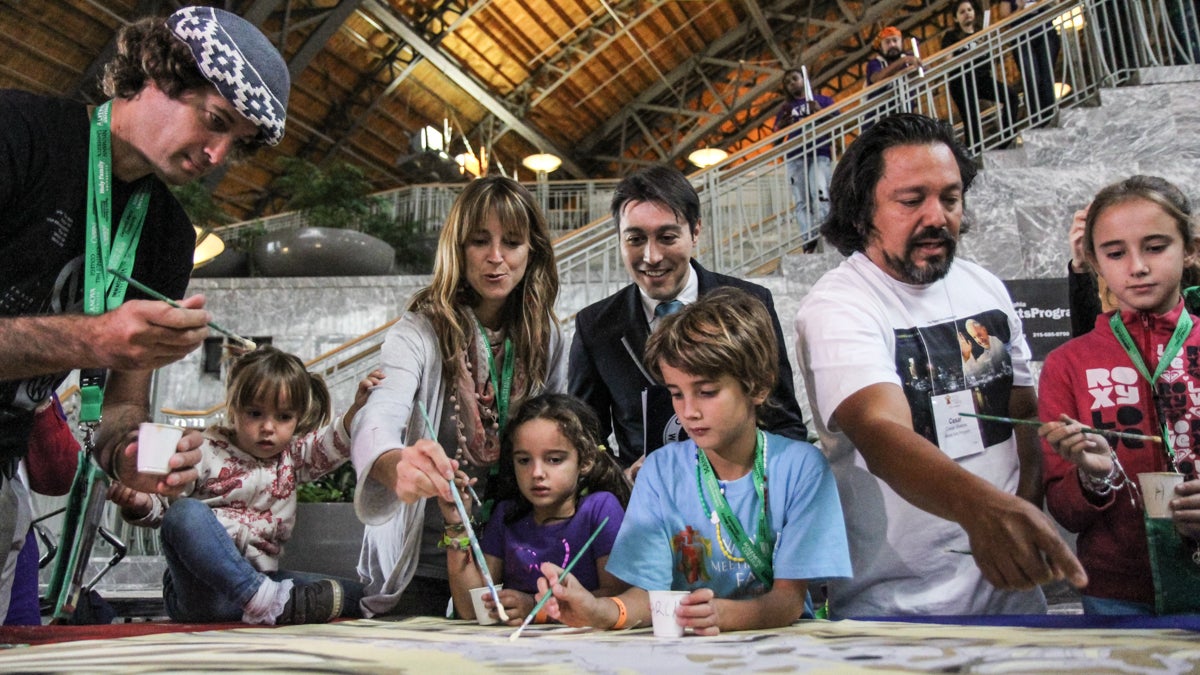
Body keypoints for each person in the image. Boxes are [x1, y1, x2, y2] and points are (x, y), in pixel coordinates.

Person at [0, 6, 289, 619]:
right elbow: (96, 346)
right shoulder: (18, 134)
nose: (216, 155)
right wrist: (92, 339)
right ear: (156, 72)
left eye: (235, 142)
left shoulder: (166, 235)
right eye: (214, 121)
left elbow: (124, 408)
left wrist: (132, 456)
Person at [794, 112, 1086, 618]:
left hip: (1013, 600)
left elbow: (1021, 410)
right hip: (894, 611)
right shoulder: (839, 304)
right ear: (863, 211)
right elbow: (882, 433)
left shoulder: (984, 287)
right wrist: (984, 511)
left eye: (950, 198)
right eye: (911, 201)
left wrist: (1024, 510)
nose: (937, 216)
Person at [541, 287, 850, 634]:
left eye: (707, 392)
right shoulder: (660, 471)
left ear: (758, 387)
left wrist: (725, 616)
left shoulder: (800, 468)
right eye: (676, 393)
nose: (689, 411)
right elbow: (650, 597)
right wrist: (598, 611)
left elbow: (788, 602)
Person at [351, 176, 566, 618]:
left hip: (512, 567)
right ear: (457, 248)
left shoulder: (550, 337)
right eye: (479, 241)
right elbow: (378, 418)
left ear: (533, 252)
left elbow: (565, 435)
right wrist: (397, 466)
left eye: (512, 242)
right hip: (418, 570)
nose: (496, 257)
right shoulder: (419, 330)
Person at [113, 348, 380, 625]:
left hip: (265, 581)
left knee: (360, 596)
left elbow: (331, 443)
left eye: (283, 417)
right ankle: (262, 601)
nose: (268, 427)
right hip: (201, 591)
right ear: (234, 409)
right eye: (255, 413)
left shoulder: (292, 457)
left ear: (298, 418)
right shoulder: (204, 449)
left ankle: (263, 600)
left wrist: (357, 409)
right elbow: (166, 510)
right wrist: (141, 503)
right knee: (183, 513)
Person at [569, 165, 807, 472]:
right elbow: (586, 439)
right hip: (651, 508)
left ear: (695, 231)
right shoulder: (596, 327)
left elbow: (784, 420)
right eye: (635, 239)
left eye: (667, 237)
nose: (651, 256)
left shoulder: (750, 303)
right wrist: (622, 478)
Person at [1038, 175, 1200, 616]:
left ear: (1190, 249)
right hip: (1115, 596)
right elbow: (1066, 511)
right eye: (1115, 253)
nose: (1137, 266)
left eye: (1155, 246)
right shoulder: (1068, 365)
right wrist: (1093, 477)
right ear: (1094, 262)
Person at [444, 393, 630, 624]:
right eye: (524, 460)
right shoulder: (506, 516)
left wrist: (536, 607)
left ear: (585, 461)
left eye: (554, 460)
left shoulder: (600, 509)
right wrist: (457, 523)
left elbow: (617, 596)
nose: (537, 473)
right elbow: (472, 609)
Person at [941, 0, 1018, 149]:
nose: (967, 14)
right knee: (972, 120)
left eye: (969, 10)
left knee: (1011, 97)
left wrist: (987, 45)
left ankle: (1007, 139)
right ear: (956, 18)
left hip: (981, 78)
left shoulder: (980, 33)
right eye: (962, 12)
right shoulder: (951, 36)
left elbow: (990, 59)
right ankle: (974, 154)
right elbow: (947, 60)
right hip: (961, 81)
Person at [773, 67, 835, 236]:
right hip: (795, 155)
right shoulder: (785, 109)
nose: (792, 84)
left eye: (795, 79)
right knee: (801, 198)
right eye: (787, 82)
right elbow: (775, 140)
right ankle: (809, 237)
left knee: (820, 190)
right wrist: (782, 126)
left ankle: (827, 232)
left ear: (804, 79)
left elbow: (839, 122)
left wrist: (820, 111)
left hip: (820, 151)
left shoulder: (823, 100)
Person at [999, 0, 1061, 127]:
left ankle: (1049, 117)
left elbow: (1056, 6)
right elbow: (1004, 20)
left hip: (1045, 31)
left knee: (1046, 77)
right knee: (1031, 78)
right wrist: (1019, 9)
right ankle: (1037, 120)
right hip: (1022, 38)